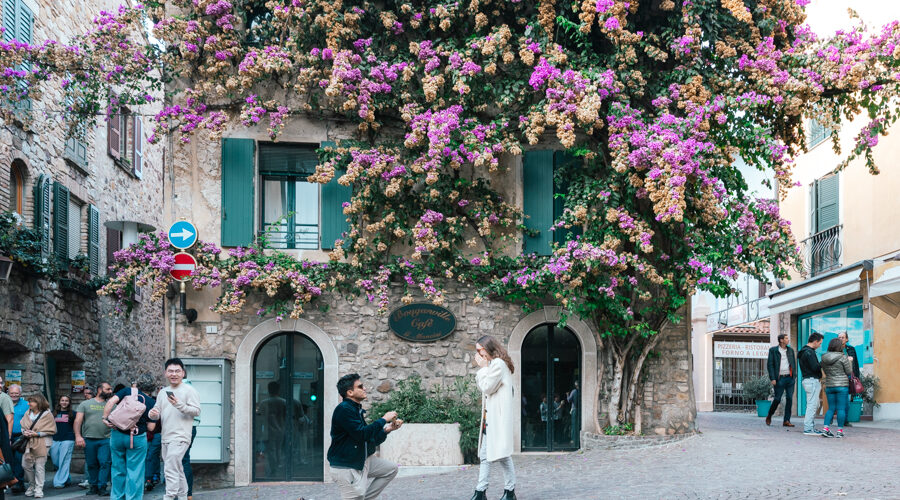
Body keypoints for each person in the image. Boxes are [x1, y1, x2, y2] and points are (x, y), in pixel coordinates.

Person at [326, 373, 402, 500]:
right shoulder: (344, 409)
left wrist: (387, 430)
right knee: (356, 496)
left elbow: (368, 438)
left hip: (362, 459)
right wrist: (383, 419)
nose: (365, 388)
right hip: (347, 466)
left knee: (391, 469)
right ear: (350, 392)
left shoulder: (355, 409)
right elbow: (362, 434)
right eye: (360, 386)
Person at [471, 335, 517, 500]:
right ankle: (482, 491)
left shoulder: (497, 364)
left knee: (502, 455)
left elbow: (487, 387)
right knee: (488, 455)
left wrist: (483, 368)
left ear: (487, 348)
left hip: (496, 420)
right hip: (490, 420)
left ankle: (505, 491)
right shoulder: (494, 364)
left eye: (479, 350)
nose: (477, 354)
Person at [148, 358, 201, 500]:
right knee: (177, 468)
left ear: (183, 373)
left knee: (170, 468)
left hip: (181, 436)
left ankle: (169, 497)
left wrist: (179, 404)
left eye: (177, 371)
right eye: (170, 371)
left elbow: (196, 411)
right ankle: (183, 496)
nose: (174, 374)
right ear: (165, 373)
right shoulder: (162, 392)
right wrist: (152, 414)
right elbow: (156, 412)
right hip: (166, 436)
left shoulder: (189, 390)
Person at [104, 374, 157, 500]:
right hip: (137, 438)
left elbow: (111, 401)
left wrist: (105, 418)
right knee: (135, 471)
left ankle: (117, 497)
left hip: (117, 433)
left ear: (137, 384)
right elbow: (151, 428)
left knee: (117, 468)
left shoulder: (127, 391)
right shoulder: (151, 402)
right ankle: (132, 498)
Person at [75, 382, 114, 495]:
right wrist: (78, 436)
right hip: (89, 438)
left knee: (104, 463)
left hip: (106, 439)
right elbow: (78, 421)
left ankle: (102, 486)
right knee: (91, 463)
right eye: (107, 389)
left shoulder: (111, 405)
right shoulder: (85, 404)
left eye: (110, 389)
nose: (110, 391)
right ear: (99, 389)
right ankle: (93, 486)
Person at [20, 394, 57, 498]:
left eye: (31, 401)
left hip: (43, 442)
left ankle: (39, 488)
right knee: (26, 465)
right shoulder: (28, 413)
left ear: (38, 403)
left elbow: (52, 429)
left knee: (39, 466)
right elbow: (22, 425)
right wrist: (24, 432)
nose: (28, 403)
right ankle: (32, 485)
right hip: (29, 442)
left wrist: (38, 434)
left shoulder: (47, 414)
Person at [821, 338, 853, 438]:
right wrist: (850, 361)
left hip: (830, 385)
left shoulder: (824, 357)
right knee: (841, 409)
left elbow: (825, 371)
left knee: (831, 408)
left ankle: (825, 429)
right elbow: (849, 372)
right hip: (842, 386)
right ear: (839, 347)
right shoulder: (843, 357)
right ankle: (839, 431)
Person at [765, 333, 796, 427]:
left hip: (790, 378)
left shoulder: (790, 350)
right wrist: (772, 378)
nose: (788, 340)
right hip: (779, 379)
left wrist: (794, 375)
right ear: (781, 340)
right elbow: (770, 365)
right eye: (786, 338)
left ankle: (786, 420)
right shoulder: (773, 350)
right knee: (777, 399)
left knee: (789, 398)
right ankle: (769, 415)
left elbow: (793, 363)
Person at [798, 332, 825, 436]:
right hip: (812, 380)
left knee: (815, 404)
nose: (820, 345)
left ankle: (810, 427)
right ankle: (808, 428)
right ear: (815, 341)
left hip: (808, 380)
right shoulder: (809, 352)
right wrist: (822, 363)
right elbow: (815, 367)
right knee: (812, 405)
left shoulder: (804, 351)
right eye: (820, 343)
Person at [49, 395, 76, 488]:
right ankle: (66, 477)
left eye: (66, 401)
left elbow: (76, 426)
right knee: (56, 461)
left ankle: (59, 482)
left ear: (69, 402)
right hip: (55, 439)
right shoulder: (53, 413)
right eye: (62, 400)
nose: (64, 402)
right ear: (59, 402)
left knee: (64, 460)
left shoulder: (73, 414)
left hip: (68, 439)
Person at [7, 385, 28, 493]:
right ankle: (9, 483)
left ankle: (19, 483)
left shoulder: (26, 405)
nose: (14, 395)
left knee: (19, 460)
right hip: (6, 437)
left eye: (16, 393)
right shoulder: (4, 403)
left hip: (20, 437)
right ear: (8, 393)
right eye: (12, 393)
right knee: (8, 460)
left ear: (20, 393)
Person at [838, 332, 861, 427]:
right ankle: (831, 418)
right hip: (838, 378)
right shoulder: (834, 350)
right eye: (839, 337)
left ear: (847, 339)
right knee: (837, 401)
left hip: (849, 378)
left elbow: (855, 363)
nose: (841, 339)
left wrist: (857, 377)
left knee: (847, 401)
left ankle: (845, 420)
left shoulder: (851, 349)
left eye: (843, 337)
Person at [0, 374, 17, 499]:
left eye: (1, 383)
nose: (0, 386)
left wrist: (8, 440)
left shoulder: (4, 398)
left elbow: (9, 420)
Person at [77, 386, 95, 491]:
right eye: (84, 393)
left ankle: (92, 480)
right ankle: (88, 479)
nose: (85, 395)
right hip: (86, 435)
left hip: (98, 435)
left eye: (88, 393)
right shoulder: (83, 405)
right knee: (89, 459)